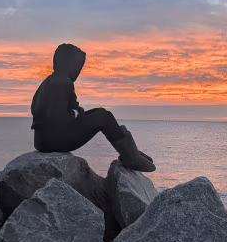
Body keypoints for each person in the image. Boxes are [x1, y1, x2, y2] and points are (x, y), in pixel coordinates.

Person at [30, 43, 155, 172]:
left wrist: (77, 112)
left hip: (42, 140)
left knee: (100, 112)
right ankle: (131, 157)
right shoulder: (62, 83)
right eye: (77, 66)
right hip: (54, 141)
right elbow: (57, 119)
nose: (78, 71)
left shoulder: (50, 81)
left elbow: (64, 108)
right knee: (103, 117)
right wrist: (75, 114)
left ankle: (130, 151)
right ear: (65, 63)